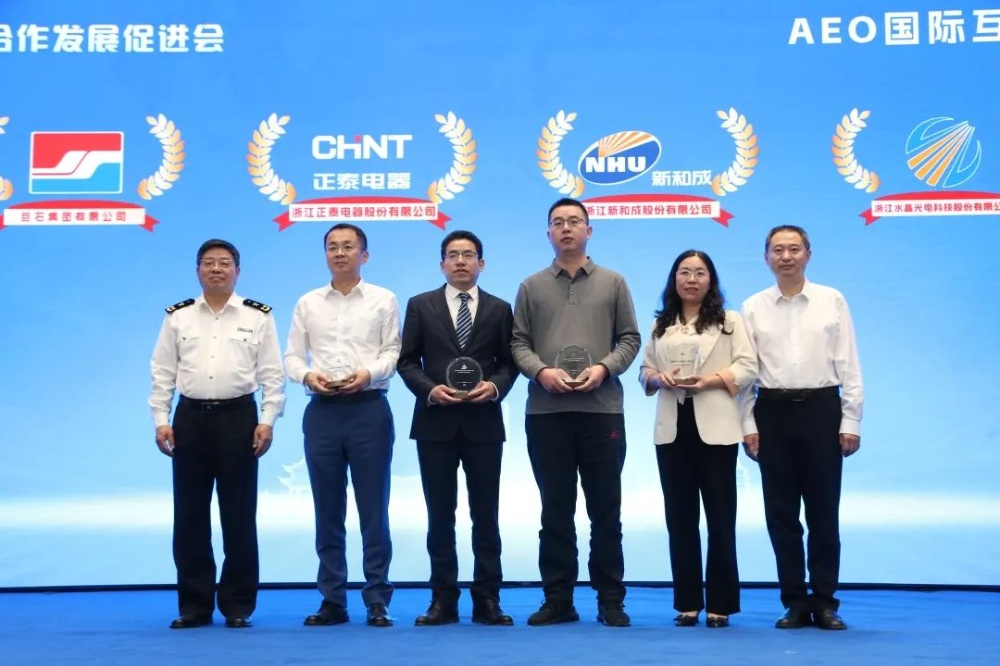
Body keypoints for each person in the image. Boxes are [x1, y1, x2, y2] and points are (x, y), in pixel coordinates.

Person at [511, 197, 641, 628]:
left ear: (589, 230)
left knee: (605, 510)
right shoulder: (530, 286)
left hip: (602, 411)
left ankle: (610, 600)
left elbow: (630, 339)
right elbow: (517, 343)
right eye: (558, 222)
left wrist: (604, 368)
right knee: (555, 511)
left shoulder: (614, 282)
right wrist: (541, 372)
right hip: (546, 413)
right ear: (548, 232)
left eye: (574, 221)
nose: (566, 228)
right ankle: (558, 600)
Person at [149, 239, 285, 630]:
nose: (216, 269)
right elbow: (162, 371)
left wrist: (268, 419)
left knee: (239, 516)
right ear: (197, 271)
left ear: (237, 271)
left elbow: (272, 374)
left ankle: (238, 605)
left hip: (239, 420)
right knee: (189, 516)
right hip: (189, 420)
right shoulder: (178, 316)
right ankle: (195, 605)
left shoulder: (257, 316)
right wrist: (160, 418)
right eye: (208, 263)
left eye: (225, 263)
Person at [740, 225, 863, 631]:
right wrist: (748, 423)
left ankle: (825, 602)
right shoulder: (753, 306)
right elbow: (746, 372)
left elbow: (849, 363)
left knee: (824, 513)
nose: (786, 256)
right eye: (778, 250)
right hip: (772, 412)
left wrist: (851, 419)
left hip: (822, 411)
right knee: (781, 516)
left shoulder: (832, 300)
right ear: (766, 258)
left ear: (809, 254)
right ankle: (793, 601)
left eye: (794, 249)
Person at [397, 230, 518, 627]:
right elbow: (407, 361)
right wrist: (429, 391)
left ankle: (488, 599)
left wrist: (494, 387)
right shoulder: (420, 305)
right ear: (442, 264)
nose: (461, 261)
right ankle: (442, 600)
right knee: (439, 516)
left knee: (486, 516)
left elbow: (509, 363)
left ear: (481, 263)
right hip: (435, 424)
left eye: (468, 255)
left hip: (484, 424)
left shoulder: (500, 308)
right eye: (453, 255)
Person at [284, 223, 401, 628]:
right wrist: (306, 376)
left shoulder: (384, 299)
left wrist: (368, 374)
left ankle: (377, 598)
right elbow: (292, 357)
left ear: (363, 255)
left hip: (368, 409)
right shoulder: (308, 303)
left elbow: (393, 352)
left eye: (348, 246)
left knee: (374, 509)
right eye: (332, 247)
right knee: (327, 509)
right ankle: (332, 599)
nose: (339, 253)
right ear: (325, 255)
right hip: (322, 413)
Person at [638, 250, 757, 628]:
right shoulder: (661, 324)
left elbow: (748, 366)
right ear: (674, 279)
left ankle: (721, 603)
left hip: (716, 429)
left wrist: (711, 381)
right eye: (684, 272)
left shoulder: (729, 322)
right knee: (680, 520)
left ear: (711, 280)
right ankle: (687, 602)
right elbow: (645, 370)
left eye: (700, 273)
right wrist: (656, 378)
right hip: (672, 430)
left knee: (720, 519)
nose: (691, 279)